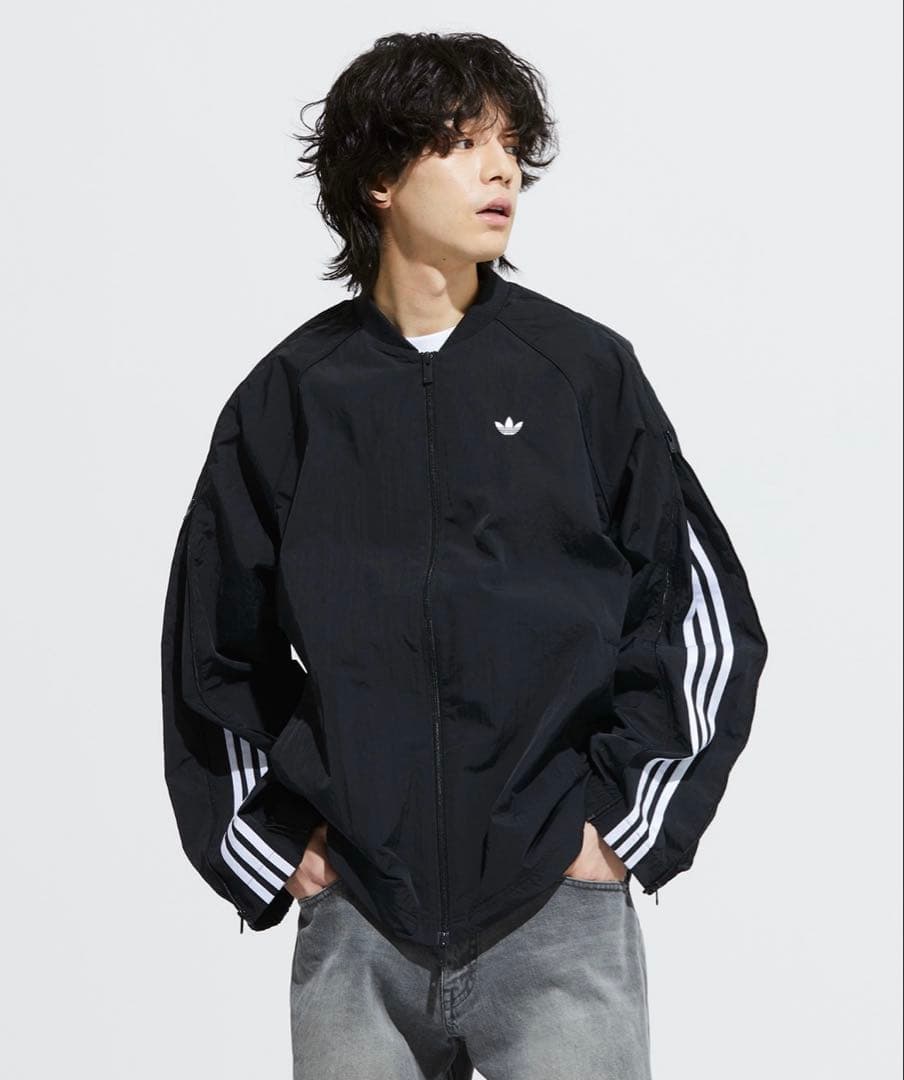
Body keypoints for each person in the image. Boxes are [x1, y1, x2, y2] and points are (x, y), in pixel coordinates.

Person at [160, 31, 769, 1080]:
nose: (502, 171)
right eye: (462, 142)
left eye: (510, 145)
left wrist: (621, 827)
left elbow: (695, 614)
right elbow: (210, 650)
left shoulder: (581, 374)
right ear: (381, 179)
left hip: (556, 915)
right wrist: (277, 843)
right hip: (362, 925)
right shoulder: (288, 401)